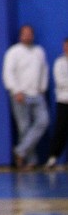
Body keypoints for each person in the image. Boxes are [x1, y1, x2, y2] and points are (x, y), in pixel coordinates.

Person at [2, 25, 49, 169]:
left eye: (30, 34)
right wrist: (16, 90)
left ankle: (20, 151)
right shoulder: (13, 52)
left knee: (44, 121)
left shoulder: (39, 51)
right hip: (20, 95)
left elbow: (44, 70)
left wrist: (42, 88)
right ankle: (31, 161)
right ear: (20, 35)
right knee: (24, 128)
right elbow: (8, 72)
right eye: (25, 34)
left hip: (36, 94)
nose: (28, 36)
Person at [44, 38, 68, 169]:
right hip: (64, 101)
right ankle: (53, 157)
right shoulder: (59, 63)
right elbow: (61, 82)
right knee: (61, 130)